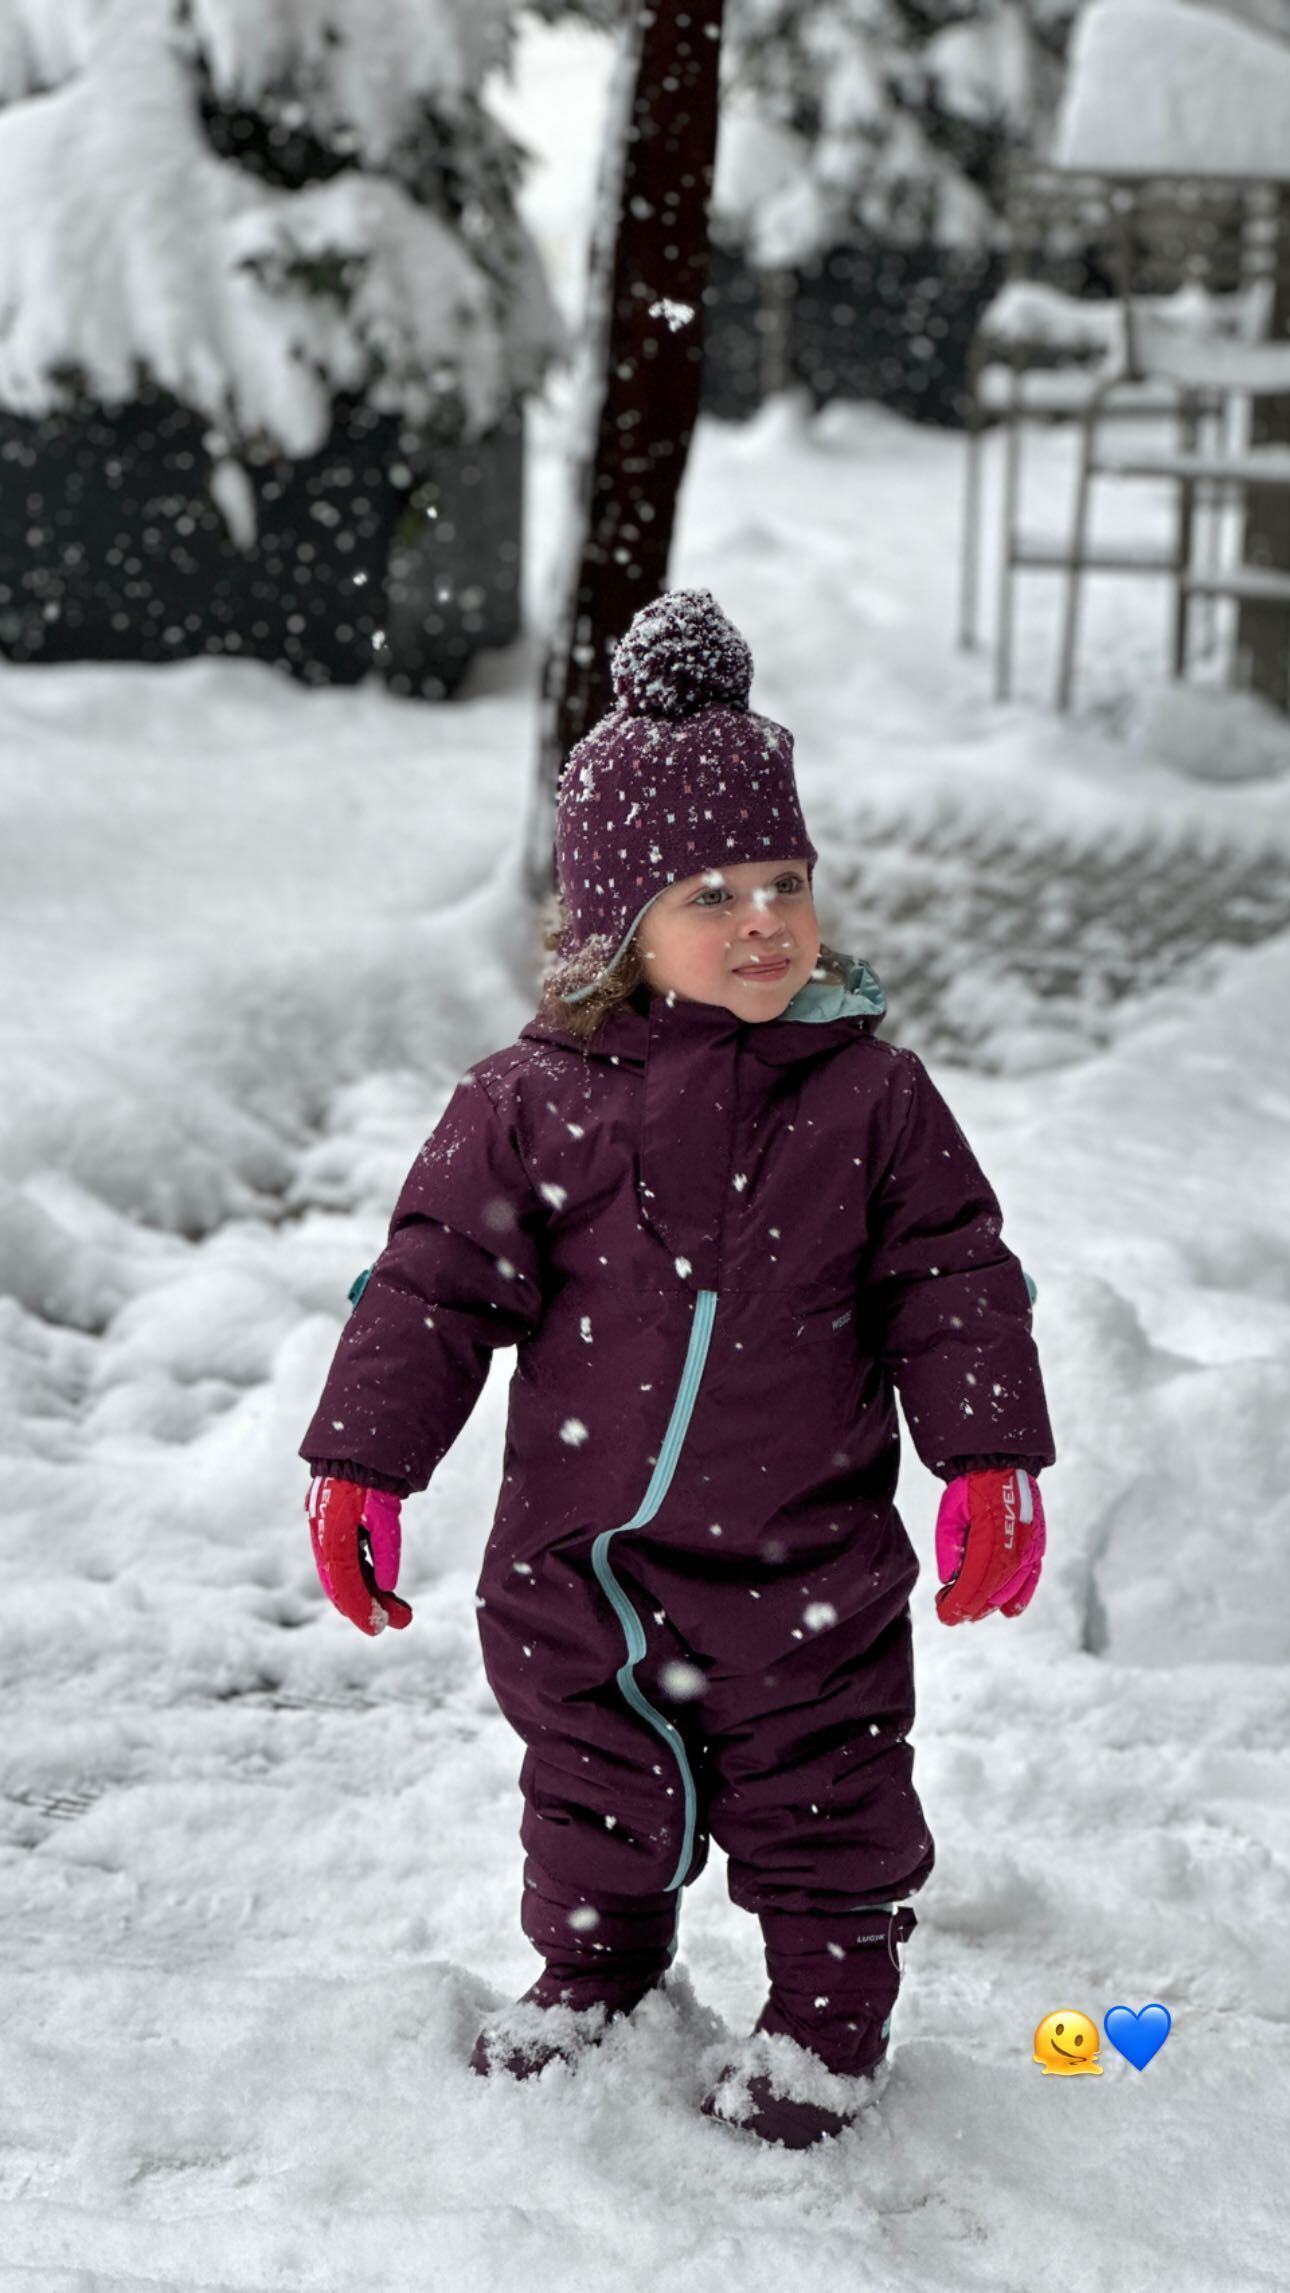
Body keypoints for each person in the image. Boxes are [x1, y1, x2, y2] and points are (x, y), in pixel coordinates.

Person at [301, 588, 1054, 2149]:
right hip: (583, 1560)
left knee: (825, 1800)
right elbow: (434, 1281)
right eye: (711, 891)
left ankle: (824, 2026)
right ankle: (596, 1972)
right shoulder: (533, 1098)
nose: (764, 918)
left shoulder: (872, 1098)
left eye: (784, 878)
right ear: (623, 923)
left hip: (805, 1559)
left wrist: (987, 1451)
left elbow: (951, 1275)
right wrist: (363, 1459)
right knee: (588, 1784)